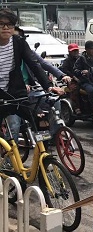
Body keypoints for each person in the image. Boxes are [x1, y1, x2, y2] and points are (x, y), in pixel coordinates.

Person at [0, 9, 62, 139]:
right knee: (12, 127)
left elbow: (34, 64)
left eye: (9, 24)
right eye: (1, 24)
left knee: (39, 119)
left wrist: (48, 86)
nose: (6, 28)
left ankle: (43, 149)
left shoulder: (19, 42)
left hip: (15, 92)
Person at [60, 43, 83, 114]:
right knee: (74, 88)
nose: (75, 52)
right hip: (71, 80)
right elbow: (64, 70)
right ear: (69, 52)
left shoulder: (82, 59)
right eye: (73, 51)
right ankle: (76, 107)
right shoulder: (67, 61)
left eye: (76, 50)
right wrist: (73, 77)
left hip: (82, 79)